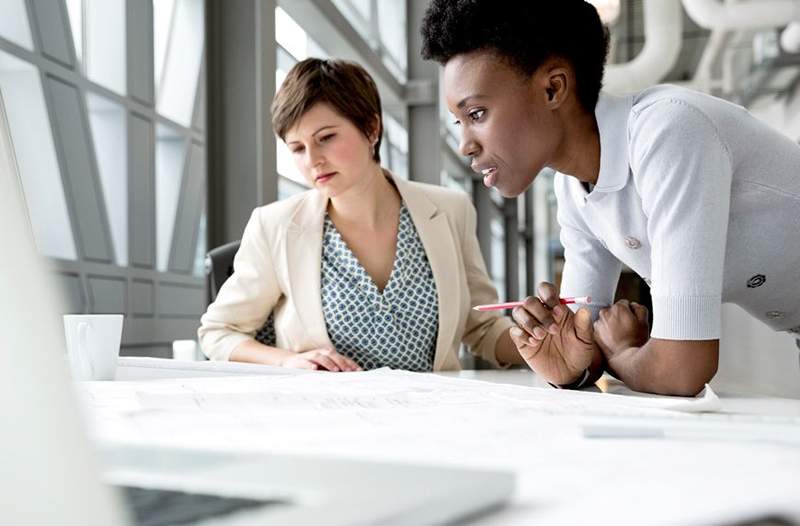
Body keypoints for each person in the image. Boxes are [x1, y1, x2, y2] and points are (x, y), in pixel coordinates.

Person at [421, 0, 800, 395]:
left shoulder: (668, 132)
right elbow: (583, 340)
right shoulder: (572, 189)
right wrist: (571, 365)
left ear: (553, 88)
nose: (465, 145)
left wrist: (621, 351)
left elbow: (682, 368)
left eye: (477, 114)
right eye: (458, 121)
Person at [198, 58, 524, 372]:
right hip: (326, 417)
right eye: (297, 148)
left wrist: (544, 342)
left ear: (371, 128)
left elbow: (482, 327)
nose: (312, 160)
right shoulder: (275, 226)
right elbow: (218, 332)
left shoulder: (451, 211)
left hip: (429, 415)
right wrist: (285, 361)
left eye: (326, 138)